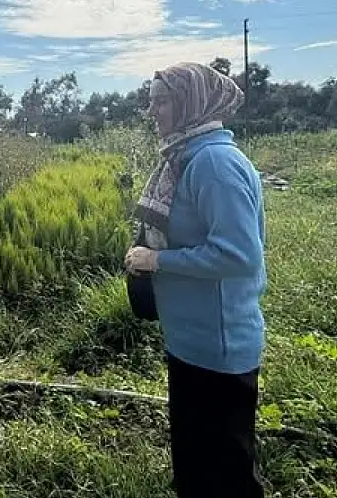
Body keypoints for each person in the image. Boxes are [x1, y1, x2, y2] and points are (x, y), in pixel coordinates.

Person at [124, 62, 267, 498]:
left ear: (192, 103)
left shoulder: (213, 164)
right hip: (192, 342)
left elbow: (239, 256)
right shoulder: (186, 157)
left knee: (225, 478)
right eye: (150, 101)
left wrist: (157, 260)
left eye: (162, 101)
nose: (152, 111)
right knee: (196, 469)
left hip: (217, 350)